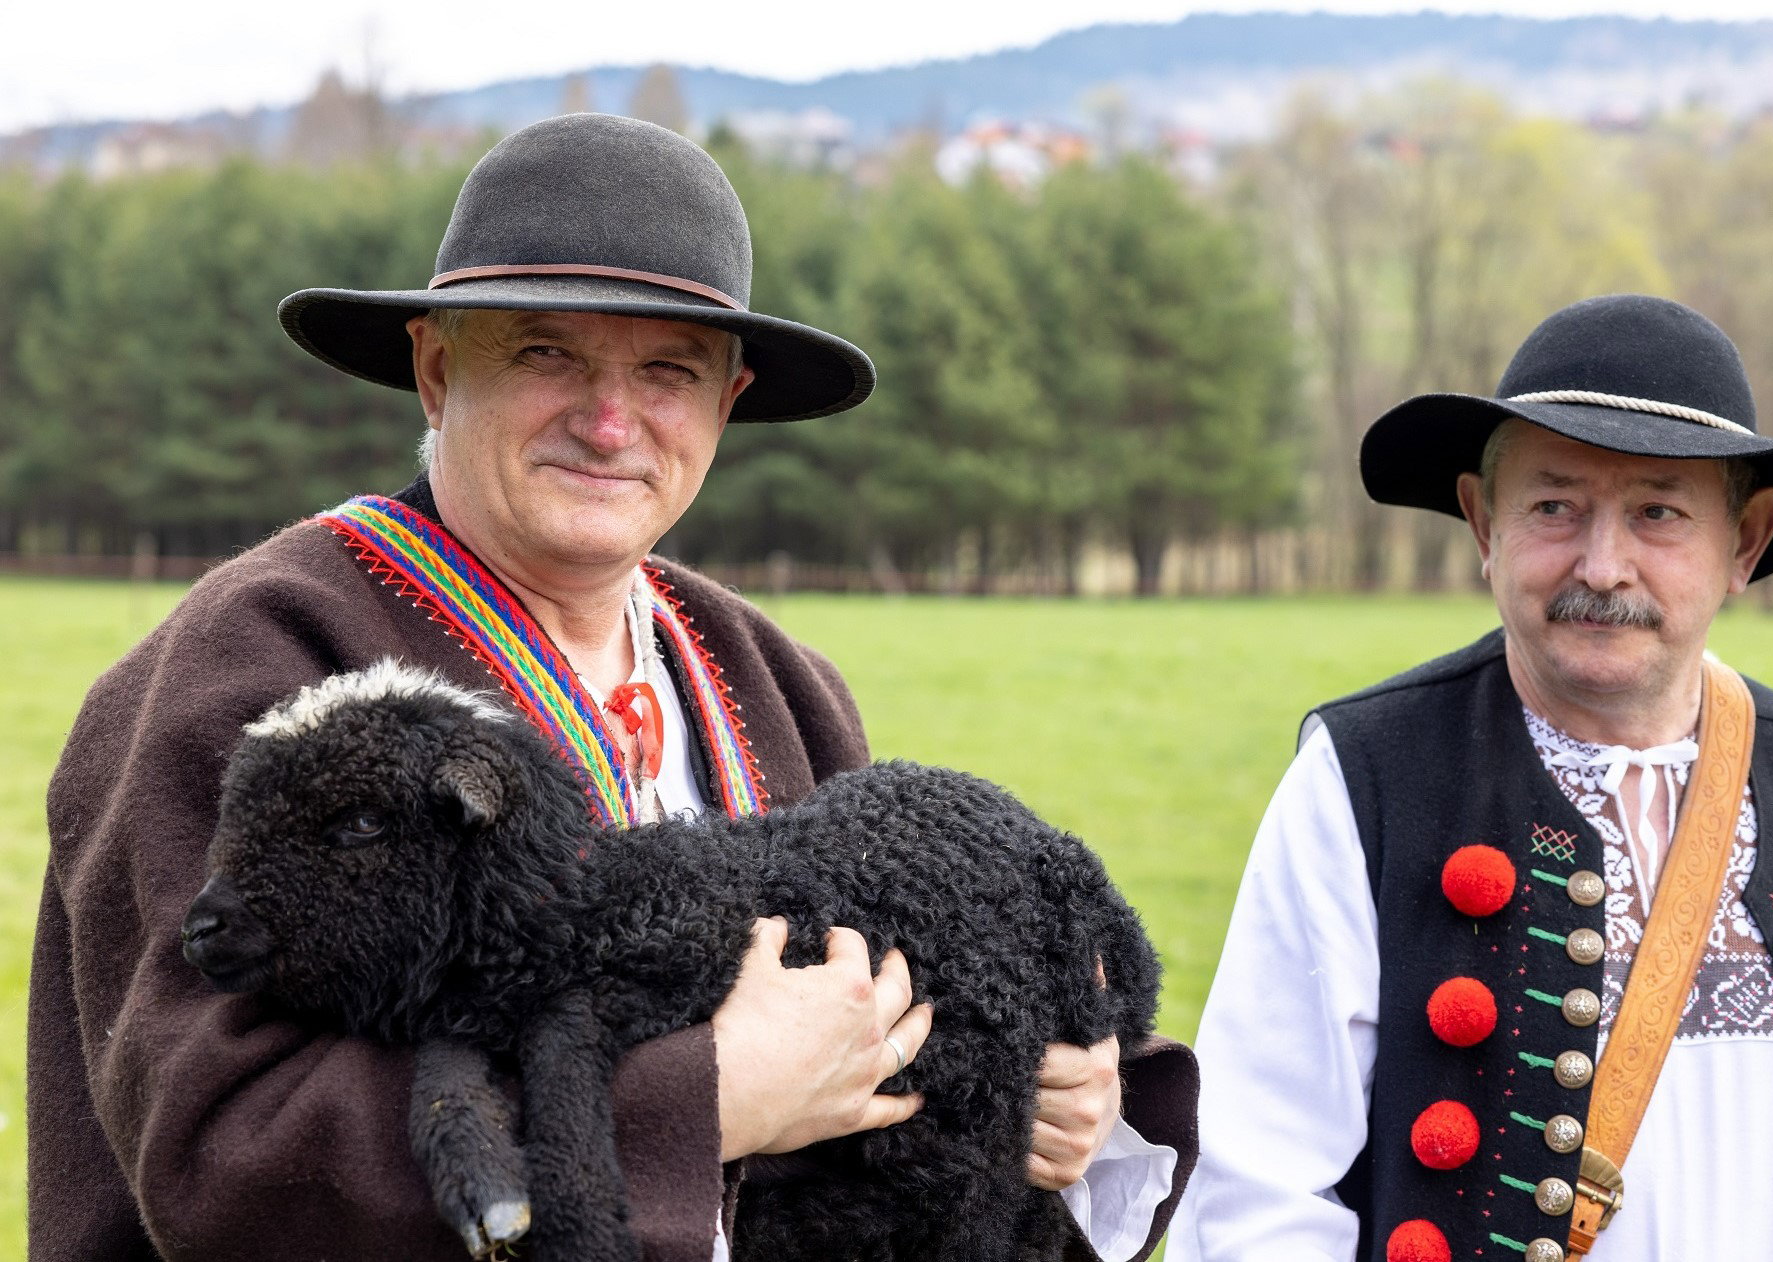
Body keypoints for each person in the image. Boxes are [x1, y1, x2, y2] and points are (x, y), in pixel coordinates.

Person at [28, 113, 1193, 1262]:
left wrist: (1065, 1086)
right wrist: (707, 1097)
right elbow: (228, 1157)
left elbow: (904, 1002)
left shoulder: (771, 673)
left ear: (727, 403)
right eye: (546, 352)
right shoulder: (259, 657)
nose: (608, 419)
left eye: (668, 370)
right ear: (436, 369)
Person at [1169, 295, 1773, 1261]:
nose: (1603, 565)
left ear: (1747, 543)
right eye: (1555, 506)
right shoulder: (1365, 778)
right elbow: (1260, 1182)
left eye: (1658, 513)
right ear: (1485, 523)